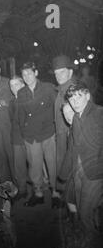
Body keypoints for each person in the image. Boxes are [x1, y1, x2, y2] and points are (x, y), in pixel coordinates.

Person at [60, 81, 103, 240]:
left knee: (86, 213)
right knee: (79, 207)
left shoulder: (99, 113)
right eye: (72, 100)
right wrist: (63, 175)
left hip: (95, 174)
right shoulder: (76, 117)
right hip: (78, 172)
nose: (75, 102)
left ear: (88, 96)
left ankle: (92, 246)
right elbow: (73, 147)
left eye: (79, 97)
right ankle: (88, 238)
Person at [18, 62, 59, 207]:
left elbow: (57, 107)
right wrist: (24, 133)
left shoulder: (48, 88)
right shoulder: (21, 93)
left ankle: (56, 193)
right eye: (23, 74)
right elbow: (21, 115)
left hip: (48, 133)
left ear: (36, 73)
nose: (26, 77)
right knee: (34, 166)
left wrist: (57, 129)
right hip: (31, 135)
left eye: (29, 73)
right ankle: (38, 193)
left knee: (53, 164)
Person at [52, 55, 75, 198]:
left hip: (69, 137)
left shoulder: (73, 90)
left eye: (62, 72)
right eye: (56, 73)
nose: (59, 76)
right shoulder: (60, 90)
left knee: (70, 169)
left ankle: (72, 206)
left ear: (70, 72)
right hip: (60, 135)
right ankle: (68, 201)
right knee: (63, 167)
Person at [9, 76, 28, 200]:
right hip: (17, 138)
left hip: (30, 137)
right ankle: (22, 189)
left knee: (36, 164)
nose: (13, 88)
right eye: (11, 85)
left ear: (22, 85)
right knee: (19, 165)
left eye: (16, 84)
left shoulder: (28, 99)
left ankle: (42, 189)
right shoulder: (11, 102)